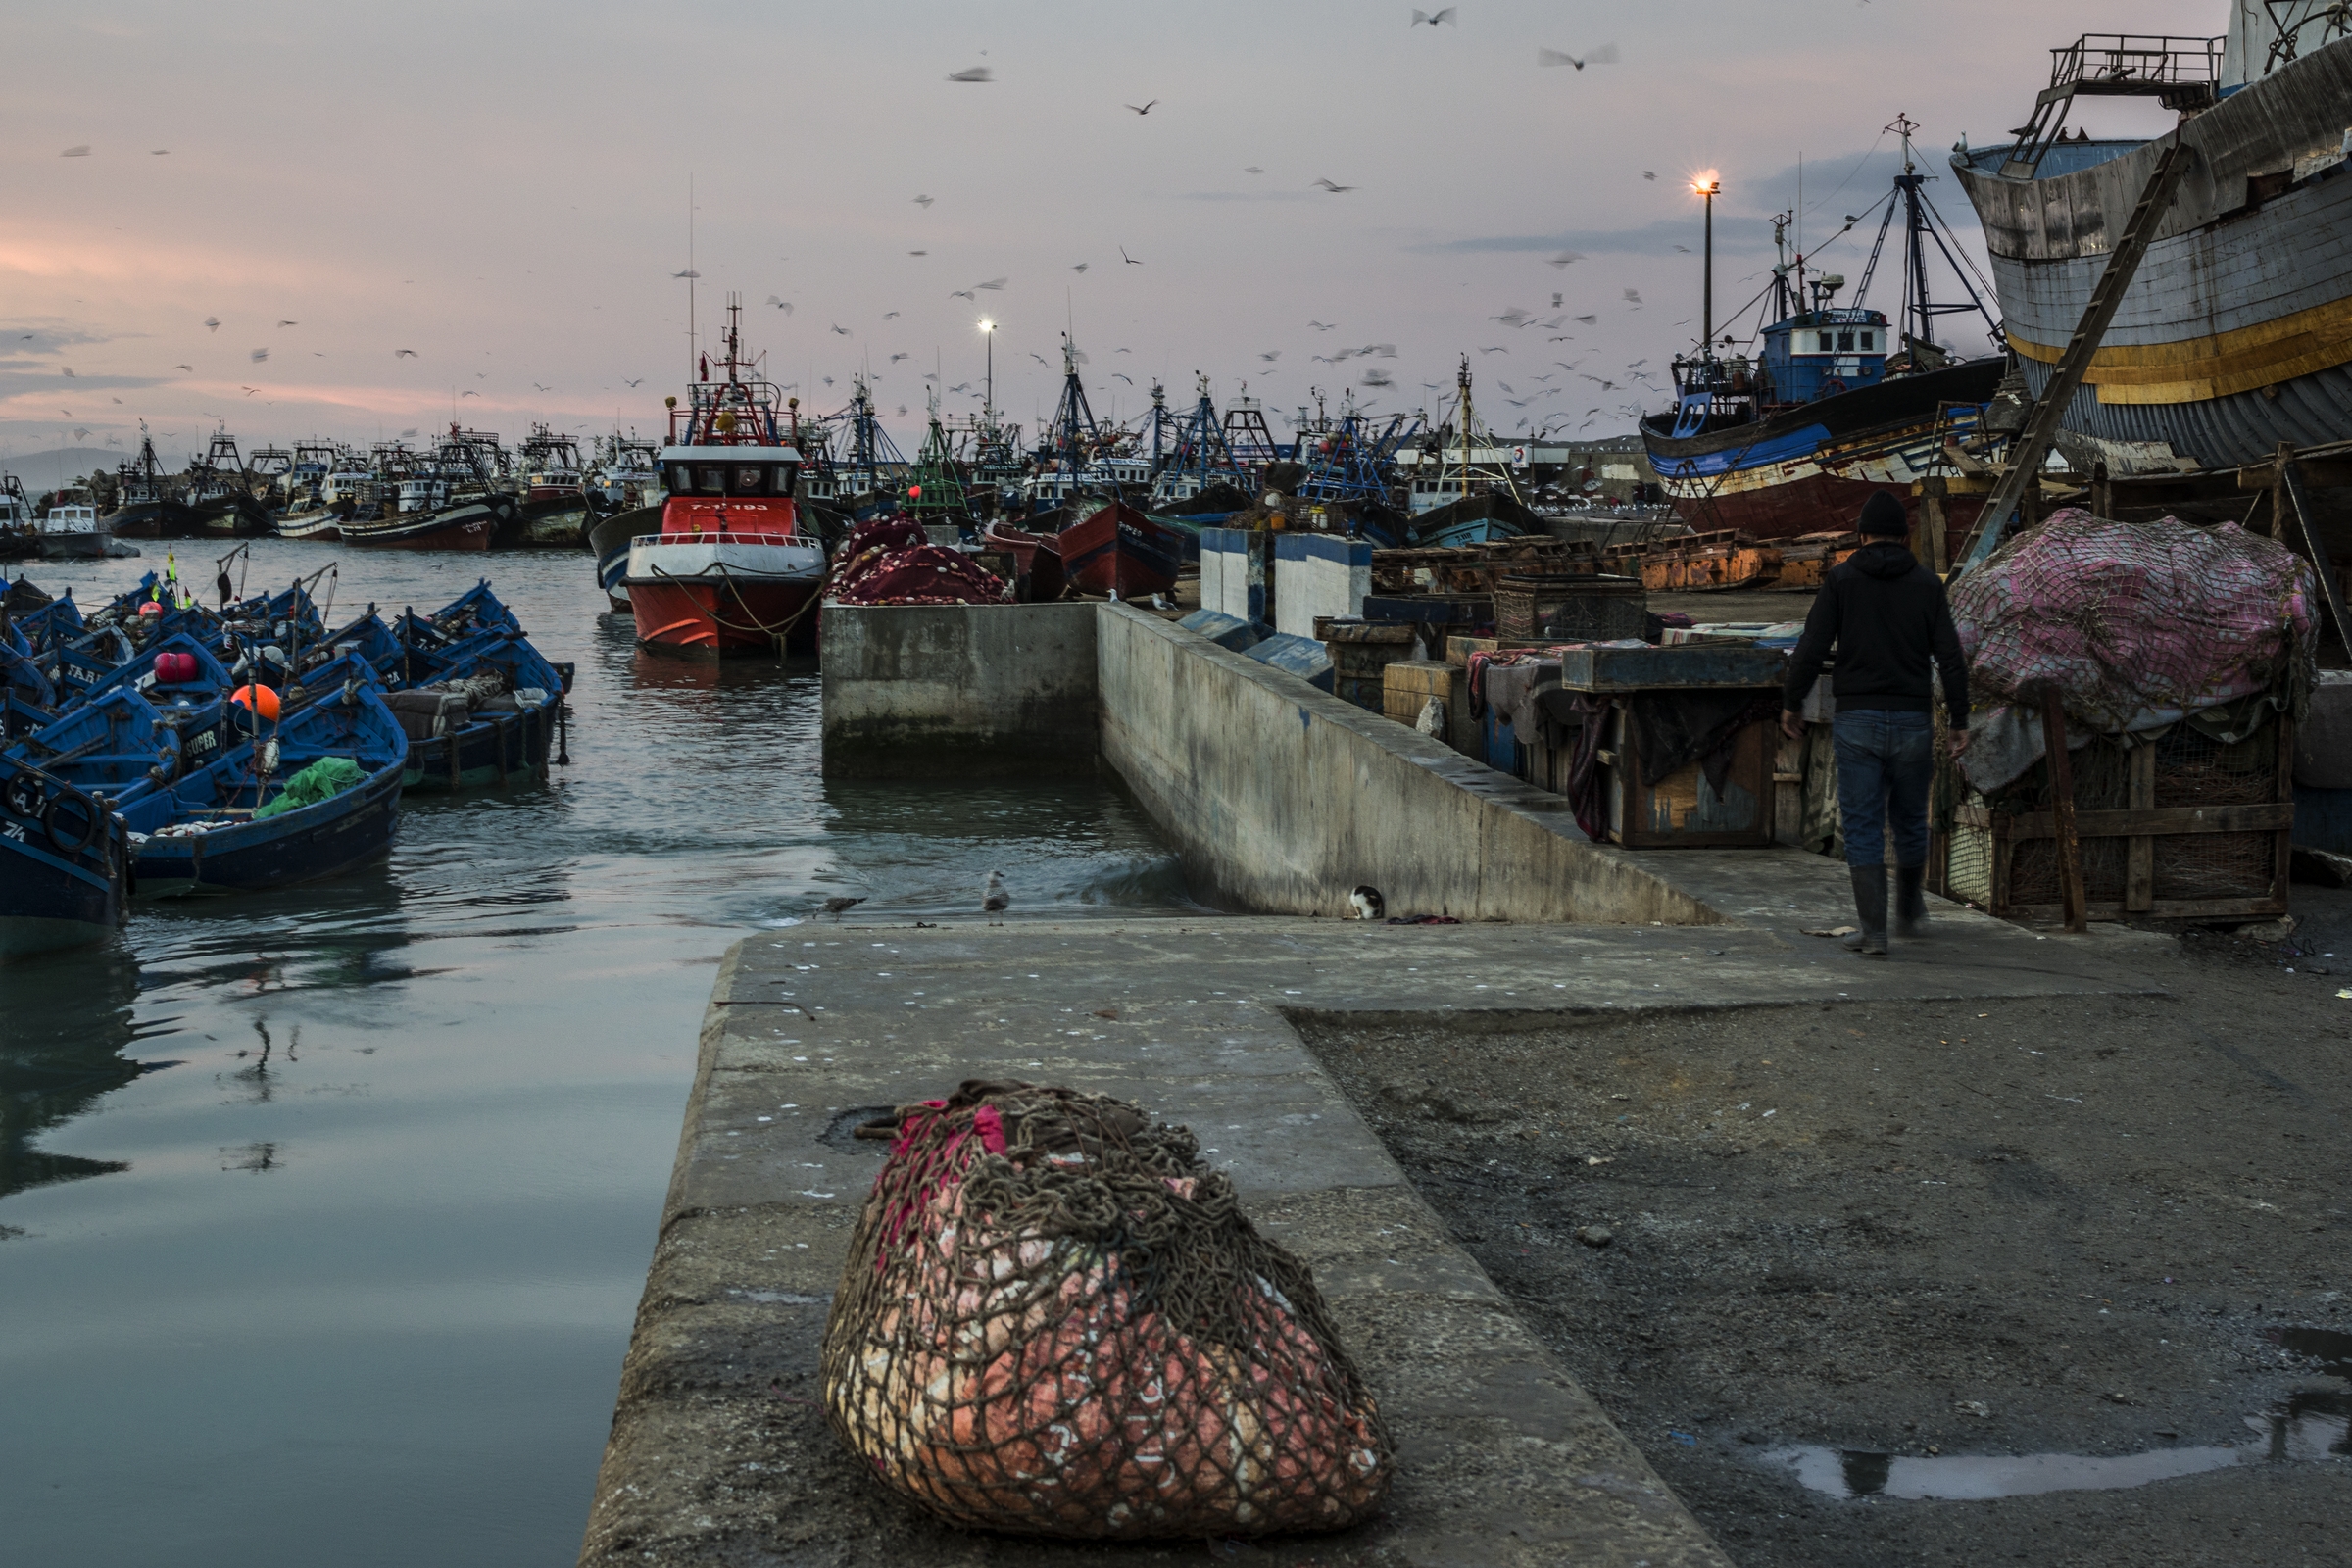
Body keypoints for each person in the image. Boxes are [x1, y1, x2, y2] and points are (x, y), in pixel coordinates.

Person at [1781, 489, 1972, 956]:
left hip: (1858, 719)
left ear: (1861, 535)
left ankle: (1874, 932)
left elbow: (1812, 646)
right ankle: (1909, 909)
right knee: (1909, 818)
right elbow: (1950, 656)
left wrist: (1792, 701)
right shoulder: (1928, 585)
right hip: (1912, 720)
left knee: (1863, 824)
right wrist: (1959, 721)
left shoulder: (1842, 580)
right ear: (1906, 539)